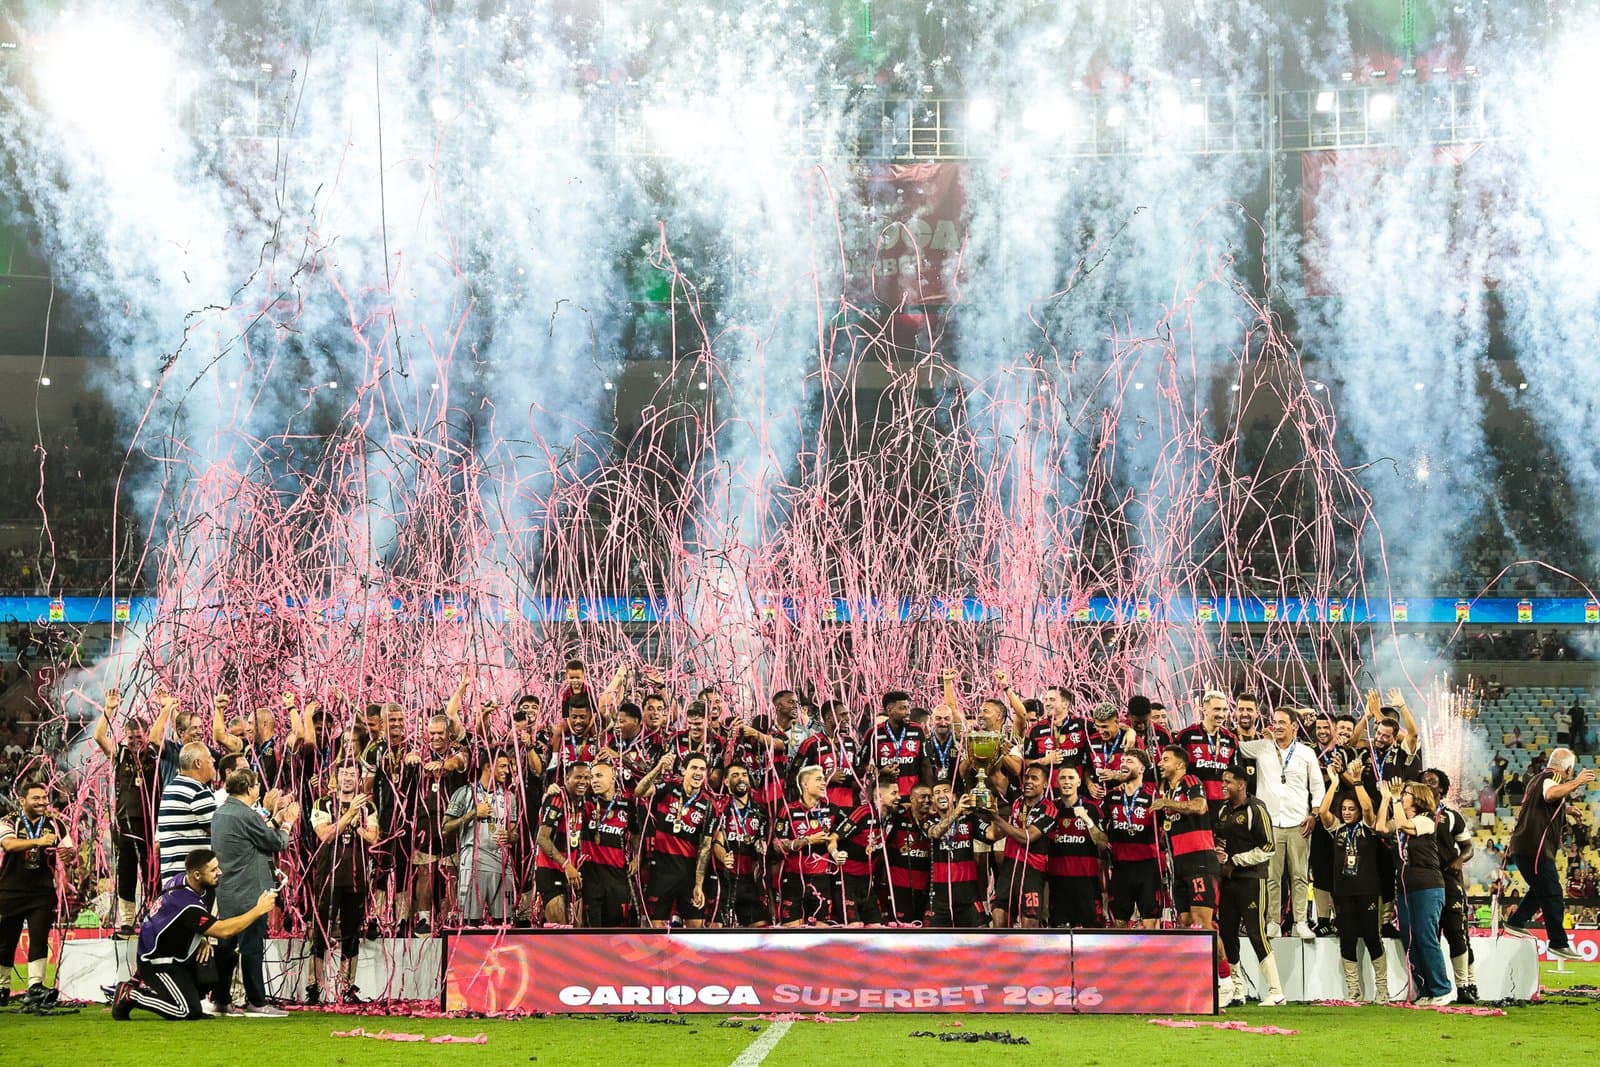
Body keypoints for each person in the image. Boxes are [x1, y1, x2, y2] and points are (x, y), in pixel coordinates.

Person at [111, 849, 280, 1022]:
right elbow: (224, 930)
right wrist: (258, 910)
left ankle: (218, 1002)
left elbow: (177, 922)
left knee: (226, 956)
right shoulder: (186, 904)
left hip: (179, 955)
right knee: (187, 1012)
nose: (219, 873)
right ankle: (130, 994)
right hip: (158, 963)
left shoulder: (189, 882)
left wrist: (202, 938)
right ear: (197, 875)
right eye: (213, 870)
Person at [211, 766, 297, 1017]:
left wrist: (276, 820)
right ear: (249, 788)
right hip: (251, 891)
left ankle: (221, 999)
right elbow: (275, 842)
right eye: (257, 785)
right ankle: (257, 1002)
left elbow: (254, 836)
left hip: (227, 890)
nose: (259, 789)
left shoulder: (221, 814)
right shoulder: (245, 814)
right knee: (251, 947)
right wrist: (288, 823)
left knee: (226, 945)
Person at [93, 687, 174, 937]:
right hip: (124, 823)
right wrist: (109, 709)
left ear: (146, 734)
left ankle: (155, 914)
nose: (134, 742)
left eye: (138, 737)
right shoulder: (120, 753)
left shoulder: (156, 753)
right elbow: (99, 737)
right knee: (126, 871)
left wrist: (166, 708)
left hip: (151, 824)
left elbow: (162, 735)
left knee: (153, 870)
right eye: (130, 738)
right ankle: (127, 921)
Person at [1240, 708, 1326, 938]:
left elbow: (1318, 786)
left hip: (1299, 822)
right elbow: (1236, 743)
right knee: (1271, 877)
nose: (1276, 726)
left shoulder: (1307, 753)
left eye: (1282, 722)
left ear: (1294, 727)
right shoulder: (1262, 748)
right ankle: (1273, 922)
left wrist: (1314, 814)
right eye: (1274, 722)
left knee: (1299, 875)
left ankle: (1300, 922)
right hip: (1270, 824)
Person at [1503, 747, 1596, 961]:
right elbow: (1549, 793)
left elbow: (1542, 806)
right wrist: (1577, 782)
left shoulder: (1536, 779)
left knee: (1540, 889)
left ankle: (1516, 921)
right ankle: (1558, 943)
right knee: (1553, 892)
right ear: (1568, 768)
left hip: (1524, 845)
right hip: (1536, 847)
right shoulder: (1553, 776)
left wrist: (1566, 809)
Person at [305, 763, 379, 1004]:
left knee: (351, 934)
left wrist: (356, 825)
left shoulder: (368, 806)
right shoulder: (323, 803)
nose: (347, 778)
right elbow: (325, 834)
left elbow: (373, 837)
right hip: (328, 878)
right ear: (335, 778)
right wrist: (349, 816)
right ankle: (314, 987)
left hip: (355, 880)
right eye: (343, 774)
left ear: (359, 778)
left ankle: (347, 988)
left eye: (352, 774)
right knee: (320, 933)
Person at [1375, 779, 1452, 1005]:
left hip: (1428, 886)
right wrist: (1386, 799)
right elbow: (1380, 827)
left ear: (1417, 799)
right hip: (1407, 890)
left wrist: (1396, 799)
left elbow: (1405, 826)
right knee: (1410, 939)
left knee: (1426, 937)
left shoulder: (1426, 820)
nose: (1403, 795)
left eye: (1406, 793)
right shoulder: (1401, 818)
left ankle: (1442, 988)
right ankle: (1426, 988)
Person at [1316, 762, 1387, 1003]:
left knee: (1371, 937)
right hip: (1343, 892)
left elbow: (1369, 810)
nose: (1347, 812)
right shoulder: (1337, 830)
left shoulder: (1367, 829)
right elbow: (1323, 813)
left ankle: (1382, 990)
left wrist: (1356, 783)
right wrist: (1334, 783)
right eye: (1344, 808)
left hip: (1368, 890)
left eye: (1351, 809)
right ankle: (1354, 990)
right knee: (1346, 938)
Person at [0, 780, 73, 1007]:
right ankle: (2, 986)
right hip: (10, 889)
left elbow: (70, 852)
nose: (42, 802)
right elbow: (9, 845)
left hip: (42, 891)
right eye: (36, 798)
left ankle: (35, 986)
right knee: (5, 941)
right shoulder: (8, 820)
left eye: (44, 797)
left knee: (39, 937)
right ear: (22, 801)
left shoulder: (56, 824)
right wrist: (39, 841)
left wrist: (69, 857)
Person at [1215, 767, 1284, 1007]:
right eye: (1223, 781)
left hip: (1252, 880)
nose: (1223, 785)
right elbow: (1221, 840)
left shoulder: (1257, 809)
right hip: (1228, 882)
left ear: (1242, 784)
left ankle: (1276, 991)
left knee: (1257, 933)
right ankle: (1237, 990)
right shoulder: (1223, 810)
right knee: (1227, 934)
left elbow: (1269, 847)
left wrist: (1235, 861)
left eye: (1228, 782)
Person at [637, 751, 716, 928]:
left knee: (696, 931)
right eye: (694, 767)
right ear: (683, 770)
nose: (698, 772)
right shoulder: (667, 789)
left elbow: (704, 848)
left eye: (702, 769)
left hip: (688, 875)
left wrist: (698, 884)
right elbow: (639, 792)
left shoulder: (709, 805)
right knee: (655, 931)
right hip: (661, 873)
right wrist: (658, 768)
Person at [1422, 768, 1477, 1002]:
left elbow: (1468, 848)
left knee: (1457, 934)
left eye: (1432, 782)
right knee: (1430, 937)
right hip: (1425, 884)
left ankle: (1465, 986)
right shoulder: (1413, 816)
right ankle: (1433, 986)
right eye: (1423, 782)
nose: (1427, 785)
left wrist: (1459, 860)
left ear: (1442, 789)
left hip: (1449, 881)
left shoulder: (1452, 816)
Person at [1089, 749, 1160, 929]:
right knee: (1118, 923)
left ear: (1142, 769)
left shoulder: (1154, 795)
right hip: (1120, 868)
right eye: (1123, 760)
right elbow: (1100, 829)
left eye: (1130, 761)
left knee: (1150, 922)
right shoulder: (1112, 796)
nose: (1123, 764)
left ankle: (1151, 957)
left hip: (1147, 867)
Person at [988, 764, 1056, 928]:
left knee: (1030, 924)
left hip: (1032, 872)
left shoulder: (1049, 809)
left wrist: (997, 818)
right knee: (999, 917)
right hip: (1009, 868)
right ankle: (1002, 954)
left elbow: (1027, 837)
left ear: (1045, 784)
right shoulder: (1016, 802)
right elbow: (996, 778)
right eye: (1026, 777)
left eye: (1035, 778)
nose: (1029, 782)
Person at [580, 762, 643, 927]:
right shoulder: (584, 801)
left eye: (599, 776)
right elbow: (565, 795)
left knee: (615, 932)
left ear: (613, 777)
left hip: (617, 877)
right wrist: (551, 791)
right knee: (592, 933)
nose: (594, 781)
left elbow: (636, 834)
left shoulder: (627, 805)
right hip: (591, 878)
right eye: (591, 777)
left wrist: (637, 857)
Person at [777, 765, 838, 926]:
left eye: (824, 779)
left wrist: (837, 851)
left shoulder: (831, 810)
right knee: (791, 933)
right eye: (819, 779)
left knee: (821, 934)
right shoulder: (788, 810)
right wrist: (807, 840)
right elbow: (777, 845)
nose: (824, 783)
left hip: (821, 879)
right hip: (794, 878)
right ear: (805, 784)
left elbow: (837, 838)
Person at [533, 761, 591, 926]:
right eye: (578, 777)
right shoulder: (557, 799)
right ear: (566, 778)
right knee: (560, 931)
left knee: (577, 930)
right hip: (551, 871)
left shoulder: (582, 801)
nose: (583, 781)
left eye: (587, 777)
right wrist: (566, 865)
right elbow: (542, 838)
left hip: (572, 872)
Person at [1045, 766, 1101, 929]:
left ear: (1079, 782)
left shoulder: (1091, 808)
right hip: (1058, 884)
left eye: (1071, 778)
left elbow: (1103, 843)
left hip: (1086, 883)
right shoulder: (1050, 808)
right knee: (1059, 932)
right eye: (1063, 778)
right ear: (1056, 782)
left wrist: (1087, 820)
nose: (1067, 782)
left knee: (1090, 932)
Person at [924, 781, 987, 928]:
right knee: (930, 944)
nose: (941, 795)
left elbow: (992, 834)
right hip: (940, 901)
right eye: (937, 792)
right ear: (932, 800)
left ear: (954, 796)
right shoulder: (928, 821)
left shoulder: (969, 820)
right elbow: (935, 833)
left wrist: (994, 814)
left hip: (969, 898)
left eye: (946, 791)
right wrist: (957, 811)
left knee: (980, 941)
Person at [156, 743, 217, 884]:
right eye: (209, 758)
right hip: (192, 880)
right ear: (198, 763)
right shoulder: (198, 791)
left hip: (172, 877)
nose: (213, 761)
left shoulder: (171, 788)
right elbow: (218, 831)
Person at [1173, 691, 1241, 815]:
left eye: (1224, 710)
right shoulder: (1186, 736)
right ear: (1204, 710)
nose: (1221, 714)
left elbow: (1236, 773)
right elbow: (1176, 771)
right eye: (1216, 709)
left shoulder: (1231, 739)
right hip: (1194, 803)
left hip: (1221, 805)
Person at [872, 690, 927, 798]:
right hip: (886, 797)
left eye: (908, 707)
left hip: (912, 796)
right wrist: (880, 771)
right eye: (903, 708)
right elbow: (863, 765)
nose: (908, 712)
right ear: (889, 710)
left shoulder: (917, 730)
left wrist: (928, 792)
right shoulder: (874, 733)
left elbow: (925, 765)